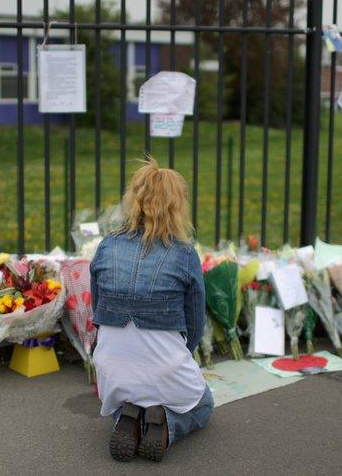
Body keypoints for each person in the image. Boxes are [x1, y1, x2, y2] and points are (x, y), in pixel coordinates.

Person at [90, 157, 213, 463]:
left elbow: (97, 310)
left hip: (111, 365)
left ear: (132, 200)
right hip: (165, 363)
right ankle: (167, 426)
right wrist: (183, 353)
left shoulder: (107, 245)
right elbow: (195, 323)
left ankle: (126, 417)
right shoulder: (184, 254)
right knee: (204, 403)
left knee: (126, 389)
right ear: (177, 205)